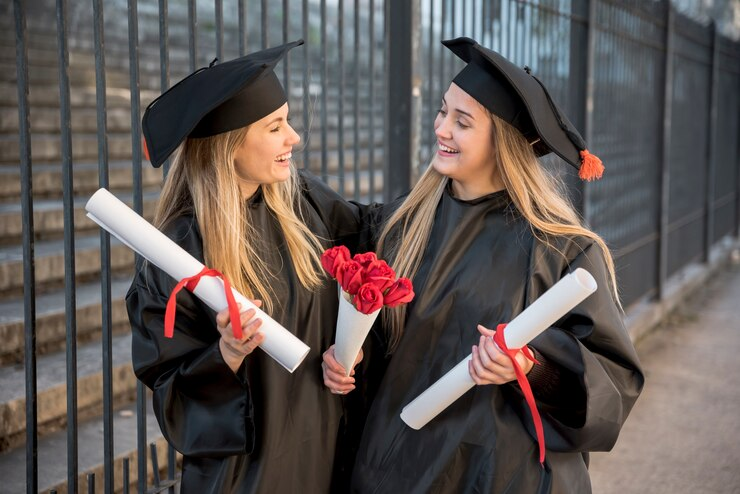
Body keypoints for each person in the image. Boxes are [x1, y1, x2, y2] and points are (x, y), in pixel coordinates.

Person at [323, 37, 645, 493]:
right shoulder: (400, 227)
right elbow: (382, 343)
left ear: (503, 142)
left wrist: (532, 369)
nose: (441, 128)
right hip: (396, 466)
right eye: (442, 111)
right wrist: (346, 354)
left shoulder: (559, 251)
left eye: (462, 121)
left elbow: (614, 383)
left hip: (500, 473)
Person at [127, 40, 366, 493]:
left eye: (288, 121)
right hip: (245, 476)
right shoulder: (179, 254)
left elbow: (370, 252)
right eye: (275, 127)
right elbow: (171, 390)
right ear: (229, 146)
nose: (294, 137)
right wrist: (228, 354)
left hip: (322, 454)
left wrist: (350, 351)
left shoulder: (305, 206)